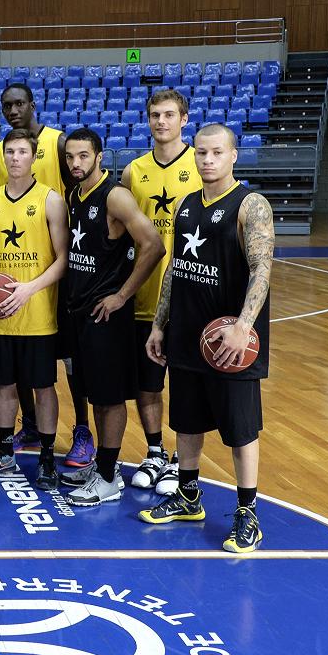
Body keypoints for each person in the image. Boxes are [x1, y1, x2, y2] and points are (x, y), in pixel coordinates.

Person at [140, 124, 274, 555]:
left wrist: (244, 327)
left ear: (234, 155)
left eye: (217, 152)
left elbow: (262, 268)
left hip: (230, 342)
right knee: (187, 422)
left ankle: (247, 512)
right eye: (201, 153)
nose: (208, 160)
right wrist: (160, 324)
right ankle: (188, 495)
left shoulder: (250, 205)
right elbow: (175, 269)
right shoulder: (185, 205)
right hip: (186, 335)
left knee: (240, 430)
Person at [0, 83, 95, 468]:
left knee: (65, 361)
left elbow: (80, 191)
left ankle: (82, 428)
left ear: (33, 105)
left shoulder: (58, 142)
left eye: (19, 104)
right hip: (14, 273)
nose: (13, 110)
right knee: (15, 365)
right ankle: (30, 424)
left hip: (57, 269)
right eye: (6, 106)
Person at [57, 129, 164, 505]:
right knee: (95, 397)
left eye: (83, 156)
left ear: (99, 156)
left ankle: (106, 479)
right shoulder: (75, 194)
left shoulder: (115, 196)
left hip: (106, 315)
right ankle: (105, 466)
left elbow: (153, 245)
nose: (76, 163)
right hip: (80, 311)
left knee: (110, 398)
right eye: (70, 157)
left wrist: (122, 295)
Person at [0, 128, 68, 491]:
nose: (14, 158)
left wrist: (29, 289)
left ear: (34, 156)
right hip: (1, 317)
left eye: (22, 152)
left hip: (38, 314)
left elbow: (62, 260)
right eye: (9, 152)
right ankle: (4, 451)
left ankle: (46, 457)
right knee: (4, 385)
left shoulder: (50, 200)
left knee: (43, 387)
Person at [122, 88, 203, 493]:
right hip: (144, 298)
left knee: (187, 388)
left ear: (184, 119)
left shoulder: (200, 165)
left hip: (188, 301)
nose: (161, 121)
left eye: (169, 114)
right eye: (155, 114)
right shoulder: (133, 171)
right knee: (148, 384)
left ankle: (182, 465)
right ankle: (155, 452)